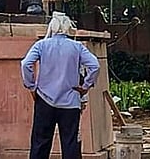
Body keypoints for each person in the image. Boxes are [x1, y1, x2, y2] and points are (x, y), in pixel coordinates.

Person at [20, 12, 100, 159]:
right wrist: (86, 86)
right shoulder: (77, 47)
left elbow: (26, 64)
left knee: (40, 143)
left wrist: (31, 86)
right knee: (70, 143)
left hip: (44, 100)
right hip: (70, 102)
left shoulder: (41, 45)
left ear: (52, 27)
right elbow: (95, 65)